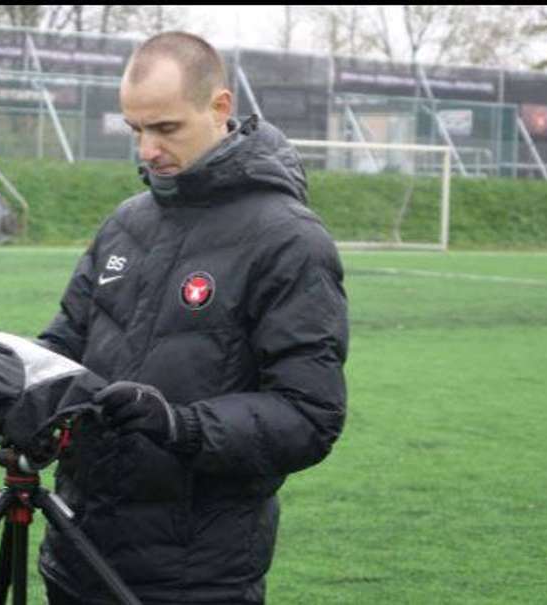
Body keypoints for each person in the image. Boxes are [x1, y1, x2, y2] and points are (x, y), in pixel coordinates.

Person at [35, 31, 348, 605]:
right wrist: (10, 378)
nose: (147, 150)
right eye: (135, 129)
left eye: (166, 128)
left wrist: (180, 424)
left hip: (193, 578)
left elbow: (310, 415)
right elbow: (64, 343)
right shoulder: (126, 221)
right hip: (75, 552)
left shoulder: (288, 239)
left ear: (220, 107)